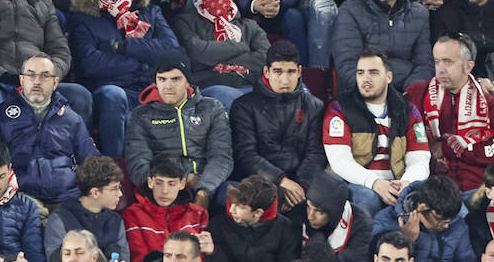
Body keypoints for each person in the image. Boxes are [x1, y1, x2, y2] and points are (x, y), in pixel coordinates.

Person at [68, 0, 179, 157]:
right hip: (108, 92)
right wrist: (144, 61)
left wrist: (124, 47)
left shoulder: (150, 10)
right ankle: (114, 165)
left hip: (149, 88)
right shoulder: (82, 16)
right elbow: (90, 64)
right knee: (114, 95)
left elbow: (171, 50)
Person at [323, 51, 430, 216]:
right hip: (354, 184)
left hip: (398, 183)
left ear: (389, 77)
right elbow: (339, 162)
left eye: (373, 73)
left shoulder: (408, 110)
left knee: (435, 200)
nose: (365, 79)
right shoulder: (339, 108)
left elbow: (420, 159)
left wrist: (406, 183)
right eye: (360, 73)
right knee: (368, 199)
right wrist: (375, 183)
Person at [124, 50, 233, 209]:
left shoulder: (211, 108)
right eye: (162, 79)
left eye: (175, 79)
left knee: (239, 198)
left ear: (188, 81)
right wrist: (182, 181)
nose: (168, 86)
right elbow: (138, 164)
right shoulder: (141, 116)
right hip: (164, 189)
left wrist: (204, 190)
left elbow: (221, 156)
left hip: (208, 184)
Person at [0, 53, 96, 206]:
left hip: (67, 199)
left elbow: (91, 162)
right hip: (20, 201)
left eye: (44, 76)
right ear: (21, 80)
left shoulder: (71, 119)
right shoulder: (0, 117)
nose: (37, 82)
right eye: (31, 75)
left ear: (55, 82)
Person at [228, 40, 324, 212]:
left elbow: (315, 153)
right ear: (267, 72)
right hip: (259, 183)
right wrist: (281, 181)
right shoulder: (243, 106)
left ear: (299, 71)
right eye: (278, 72)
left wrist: (300, 187)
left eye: (291, 72)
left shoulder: (314, 106)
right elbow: (246, 154)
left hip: (301, 184)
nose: (285, 80)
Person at [406, 34, 494, 190]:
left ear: (468, 66)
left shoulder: (487, 102)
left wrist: (446, 147)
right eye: (437, 62)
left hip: (475, 188)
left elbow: (492, 151)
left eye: (448, 62)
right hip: (429, 187)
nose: (440, 69)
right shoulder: (416, 94)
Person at [172, 0, 270, 110]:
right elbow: (198, 53)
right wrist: (241, 47)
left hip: (249, 85)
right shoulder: (184, 22)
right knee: (231, 99)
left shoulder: (249, 26)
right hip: (210, 88)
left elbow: (265, 59)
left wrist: (216, 58)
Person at [330, 0, 430, 89]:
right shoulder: (350, 10)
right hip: (363, 93)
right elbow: (347, 65)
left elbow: (424, 64)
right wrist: (376, 94)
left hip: (405, 93)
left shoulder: (419, 14)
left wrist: (411, 91)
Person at [374, 175, 476, 262]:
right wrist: (406, 240)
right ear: (422, 207)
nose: (447, 225)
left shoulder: (458, 224)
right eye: (441, 220)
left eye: (450, 220)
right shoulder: (385, 221)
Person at [123, 155, 211, 262]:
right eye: (159, 183)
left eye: (171, 184)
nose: (164, 191)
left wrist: (212, 253)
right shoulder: (133, 214)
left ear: (182, 184)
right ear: (150, 182)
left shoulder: (198, 214)